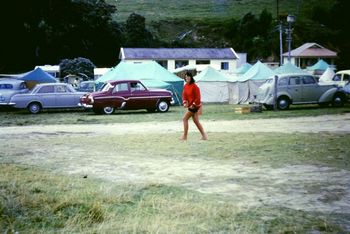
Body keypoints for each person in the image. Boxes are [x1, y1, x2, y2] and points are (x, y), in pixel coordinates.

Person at [181, 72, 208, 140]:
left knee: (185, 119)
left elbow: (198, 97)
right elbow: (184, 95)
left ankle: (185, 136)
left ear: (191, 77)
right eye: (186, 77)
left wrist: (193, 105)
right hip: (190, 106)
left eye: (188, 77)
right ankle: (204, 136)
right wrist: (184, 102)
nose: (187, 78)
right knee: (196, 121)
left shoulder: (194, 86)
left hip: (195, 106)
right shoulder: (185, 86)